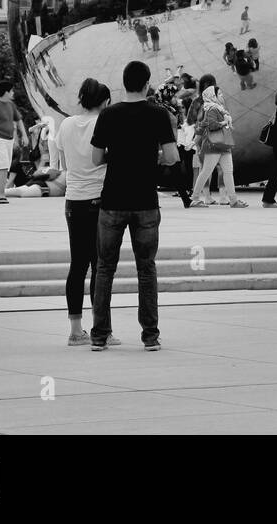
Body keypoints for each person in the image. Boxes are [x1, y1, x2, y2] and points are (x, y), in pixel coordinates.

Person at [89, 61, 177, 351]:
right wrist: (153, 159)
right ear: (147, 83)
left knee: (104, 269)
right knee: (146, 269)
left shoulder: (108, 115)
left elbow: (95, 158)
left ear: (124, 83)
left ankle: (99, 335)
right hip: (145, 202)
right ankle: (150, 335)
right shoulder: (159, 114)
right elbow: (172, 156)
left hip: (112, 200)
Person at [57, 78, 111, 345]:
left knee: (77, 265)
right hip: (98, 198)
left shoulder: (66, 124)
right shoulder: (103, 123)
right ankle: (102, 329)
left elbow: (64, 161)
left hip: (73, 199)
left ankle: (75, 330)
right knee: (100, 265)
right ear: (104, 101)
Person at [189, 78, 246, 207]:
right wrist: (225, 123)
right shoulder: (212, 109)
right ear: (212, 96)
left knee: (227, 172)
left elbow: (203, 125)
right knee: (206, 172)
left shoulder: (220, 109)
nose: (222, 96)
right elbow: (212, 125)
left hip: (222, 145)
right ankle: (195, 198)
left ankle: (233, 200)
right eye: (219, 94)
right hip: (213, 145)